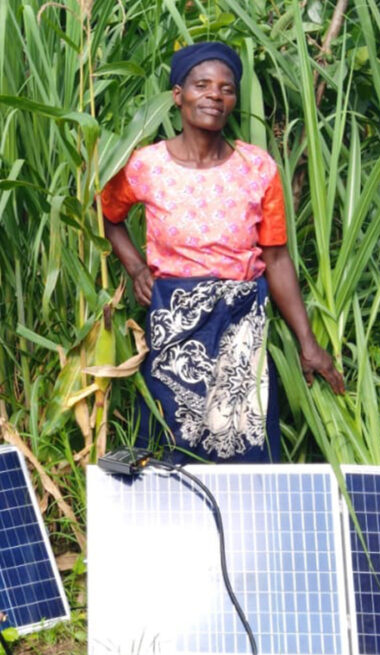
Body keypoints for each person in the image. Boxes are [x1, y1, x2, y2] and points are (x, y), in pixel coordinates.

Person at [101, 42, 345, 464]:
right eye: (202, 85)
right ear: (178, 95)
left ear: (234, 100)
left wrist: (308, 342)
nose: (215, 95)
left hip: (241, 325)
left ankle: (244, 528)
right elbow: (105, 214)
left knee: (244, 441)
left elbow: (277, 258)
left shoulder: (257, 168)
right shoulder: (145, 165)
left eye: (226, 88)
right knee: (167, 440)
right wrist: (136, 266)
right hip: (175, 320)